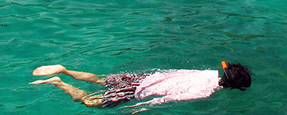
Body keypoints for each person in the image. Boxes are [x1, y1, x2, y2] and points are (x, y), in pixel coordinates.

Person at [29, 61, 251, 107]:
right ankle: (58, 81)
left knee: (99, 79)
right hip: (137, 90)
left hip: (142, 77)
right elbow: (168, 98)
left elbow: (173, 72)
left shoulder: (207, 73)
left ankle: (65, 69)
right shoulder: (205, 92)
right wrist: (141, 106)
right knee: (89, 102)